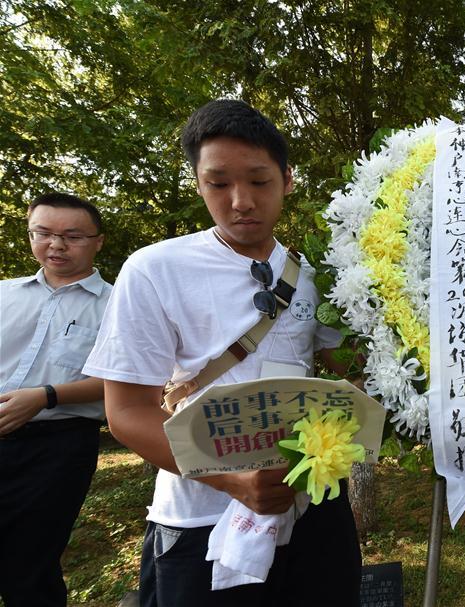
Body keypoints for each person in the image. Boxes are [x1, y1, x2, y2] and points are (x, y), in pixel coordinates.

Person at [83, 99, 361, 606]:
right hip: (200, 520)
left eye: (258, 181)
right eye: (218, 184)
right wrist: (232, 481)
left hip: (312, 510)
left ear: (287, 179)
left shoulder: (315, 276)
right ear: (198, 183)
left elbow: (352, 378)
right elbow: (125, 412)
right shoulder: (155, 269)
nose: (241, 201)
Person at [0, 192, 112, 607]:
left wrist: (46, 397)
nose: (56, 245)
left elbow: (127, 380)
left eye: (72, 236)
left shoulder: (117, 304)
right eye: (43, 233)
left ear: (98, 240)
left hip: (58, 447)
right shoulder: (4, 294)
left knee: (29, 566)